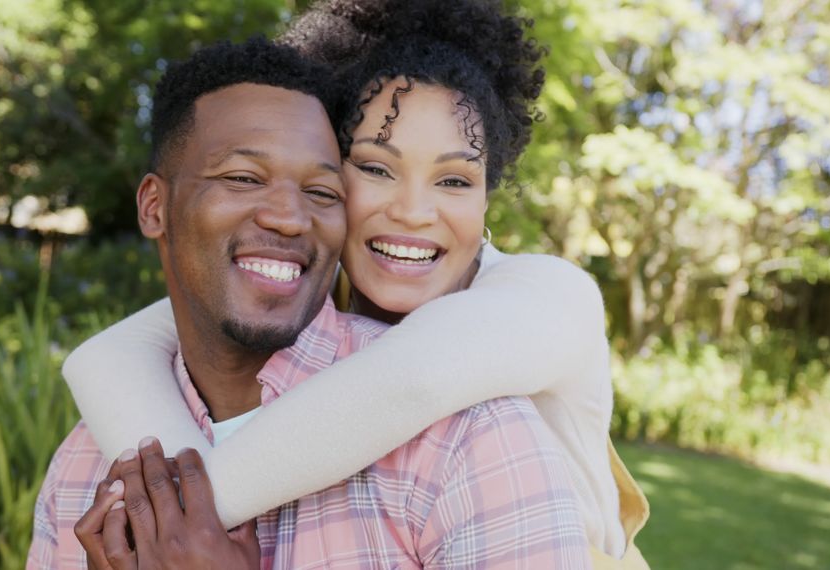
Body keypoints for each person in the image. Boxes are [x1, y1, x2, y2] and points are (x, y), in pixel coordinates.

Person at [67, 0, 651, 567]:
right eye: (375, 168)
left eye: (454, 180)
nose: (414, 212)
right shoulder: (309, 288)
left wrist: (174, 523)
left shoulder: (547, 295)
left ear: (486, 197)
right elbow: (109, 355)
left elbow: (412, 381)